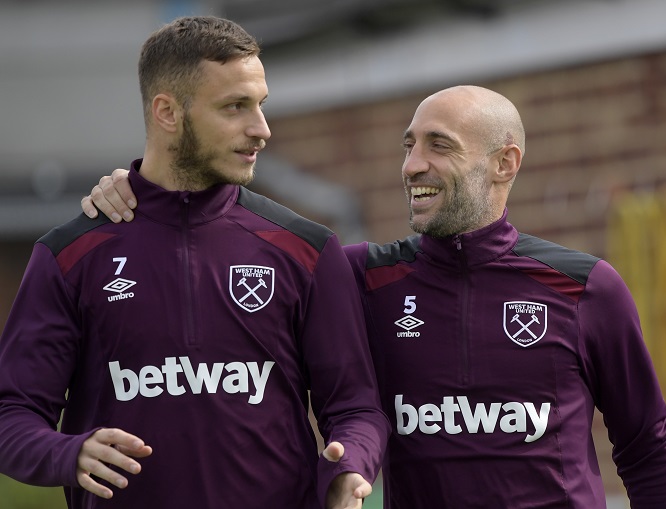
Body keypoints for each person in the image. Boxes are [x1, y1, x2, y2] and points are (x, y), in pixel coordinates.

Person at [80, 86, 666, 508]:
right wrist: (142, 193)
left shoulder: (584, 286)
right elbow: (220, 254)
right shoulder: (358, 278)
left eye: (439, 146)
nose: (411, 165)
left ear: (505, 163)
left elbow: (646, 446)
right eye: (408, 144)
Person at [0, 16, 389, 509]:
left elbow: (357, 408)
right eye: (235, 107)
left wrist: (349, 464)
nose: (261, 129)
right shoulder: (70, 254)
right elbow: (10, 415)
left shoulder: (306, 248)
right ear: (167, 111)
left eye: (260, 106)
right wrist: (67, 454)